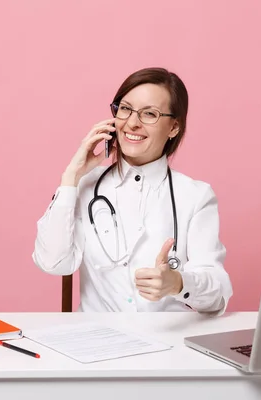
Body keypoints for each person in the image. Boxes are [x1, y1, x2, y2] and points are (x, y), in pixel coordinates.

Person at [32, 67, 233, 315]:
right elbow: (53, 263)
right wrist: (70, 176)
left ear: (173, 127)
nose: (132, 123)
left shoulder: (195, 196)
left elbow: (218, 295)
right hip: (97, 342)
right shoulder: (84, 186)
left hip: (169, 343)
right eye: (125, 109)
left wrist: (178, 283)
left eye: (150, 113)